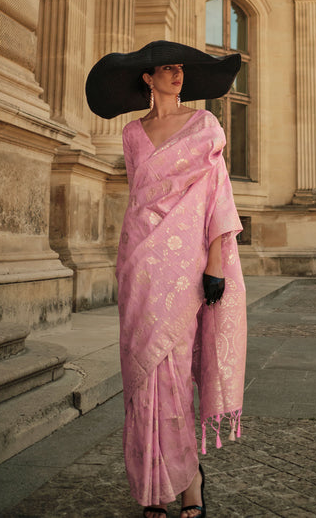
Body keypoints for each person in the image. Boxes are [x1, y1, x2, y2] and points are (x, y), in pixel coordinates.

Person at [86, 40, 247, 518]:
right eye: (167, 68)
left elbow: (217, 195)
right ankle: (154, 487)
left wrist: (215, 263)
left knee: (174, 373)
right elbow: (139, 198)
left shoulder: (205, 125)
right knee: (142, 378)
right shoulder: (132, 134)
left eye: (180, 68)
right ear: (148, 78)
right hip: (139, 263)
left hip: (185, 266)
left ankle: (189, 478)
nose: (178, 75)